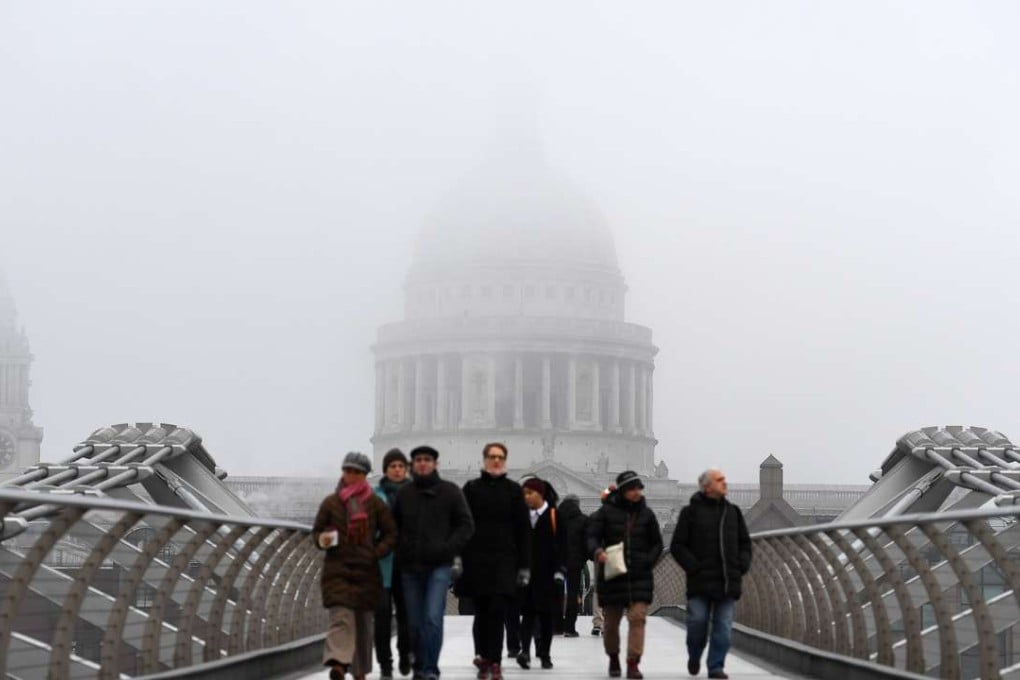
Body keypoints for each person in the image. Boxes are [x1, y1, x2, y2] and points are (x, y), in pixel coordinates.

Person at [392, 445, 475, 680]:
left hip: (439, 566)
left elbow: (466, 525)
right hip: (410, 566)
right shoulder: (404, 494)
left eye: (427, 459)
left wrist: (448, 550)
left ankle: (430, 668)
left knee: (432, 617)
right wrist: (402, 551)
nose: (422, 464)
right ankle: (421, 665)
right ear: (412, 464)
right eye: (418, 460)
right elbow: (392, 528)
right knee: (415, 621)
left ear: (435, 464)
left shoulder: (450, 492)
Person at [314, 452, 398, 680]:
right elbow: (318, 536)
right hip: (338, 572)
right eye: (348, 471)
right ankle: (339, 663)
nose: (351, 476)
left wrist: (376, 551)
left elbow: (391, 533)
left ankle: (359, 672)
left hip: (366, 572)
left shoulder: (375, 504)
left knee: (362, 625)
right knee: (341, 618)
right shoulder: (331, 504)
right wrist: (333, 539)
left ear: (364, 476)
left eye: (356, 472)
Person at [670, 469, 752, 680]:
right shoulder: (689, 513)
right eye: (720, 480)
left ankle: (715, 666)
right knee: (697, 622)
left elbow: (745, 543)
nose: (725, 483)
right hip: (699, 580)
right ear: (707, 486)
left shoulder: (733, 512)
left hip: (727, 581)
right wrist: (693, 567)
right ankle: (694, 655)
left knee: (723, 628)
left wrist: (741, 565)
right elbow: (677, 545)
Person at [459, 442, 531, 680]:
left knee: (498, 610)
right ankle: (483, 655)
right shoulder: (471, 489)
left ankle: (495, 661)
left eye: (500, 457)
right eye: (492, 457)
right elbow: (462, 526)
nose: (496, 460)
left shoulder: (513, 491)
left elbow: (523, 531)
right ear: (485, 460)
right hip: (477, 560)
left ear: (505, 460)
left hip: (504, 560)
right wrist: (458, 558)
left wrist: (524, 566)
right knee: (481, 612)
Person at [586, 471, 663, 680]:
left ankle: (633, 662)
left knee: (638, 618)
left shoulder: (647, 515)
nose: (637, 492)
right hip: (613, 575)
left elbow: (657, 543)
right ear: (622, 491)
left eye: (639, 488)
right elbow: (591, 537)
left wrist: (649, 561)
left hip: (639, 575)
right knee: (611, 624)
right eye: (632, 488)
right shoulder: (605, 514)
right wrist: (597, 551)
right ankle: (613, 657)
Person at [517, 477, 566, 670]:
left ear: (541, 494)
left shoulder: (555, 516)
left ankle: (545, 653)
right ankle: (525, 652)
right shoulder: (521, 516)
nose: (526, 497)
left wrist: (560, 571)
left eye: (530, 493)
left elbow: (563, 546)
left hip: (548, 576)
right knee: (527, 616)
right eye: (524, 494)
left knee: (546, 617)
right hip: (527, 574)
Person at [373, 448, 412, 679]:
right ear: (385, 470)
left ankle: (405, 653)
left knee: (407, 615)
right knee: (382, 615)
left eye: (400, 466)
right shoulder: (375, 498)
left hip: (408, 564)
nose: (397, 470)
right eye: (392, 466)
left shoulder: (416, 495)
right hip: (382, 564)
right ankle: (385, 664)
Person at [557, 493, 587, 637]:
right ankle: (569, 628)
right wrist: (584, 558)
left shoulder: (554, 519)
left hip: (556, 563)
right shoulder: (583, 520)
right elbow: (587, 543)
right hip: (575, 563)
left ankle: (555, 626)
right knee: (572, 595)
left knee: (555, 593)